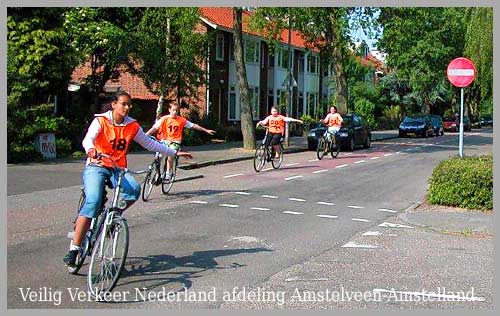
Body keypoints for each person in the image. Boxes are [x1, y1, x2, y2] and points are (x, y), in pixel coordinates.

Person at [63, 91, 192, 267]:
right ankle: (74, 249)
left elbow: (150, 143)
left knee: (134, 190)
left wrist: (174, 152)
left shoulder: (132, 126)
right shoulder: (101, 121)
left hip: (117, 169)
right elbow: (88, 139)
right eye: (123, 104)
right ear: (114, 104)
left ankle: (113, 217)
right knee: (93, 201)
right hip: (97, 166)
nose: (127, 107)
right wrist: (91, 150)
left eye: (129, 104)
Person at [146, 103, 216, 181]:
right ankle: (157, 174)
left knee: (170, 154)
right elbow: (154, 128)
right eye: (173, 110)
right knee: (158, 157)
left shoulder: (181, 120)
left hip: (175, 141)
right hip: (164, 141)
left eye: (176, 110)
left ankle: (168, 173)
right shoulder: (164, 119)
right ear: (169, 110)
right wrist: (146, 135)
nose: (175, 112)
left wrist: (206, 130)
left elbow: (194, 126)